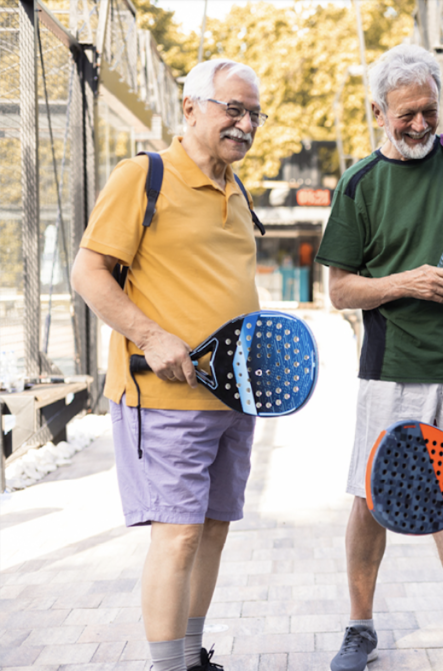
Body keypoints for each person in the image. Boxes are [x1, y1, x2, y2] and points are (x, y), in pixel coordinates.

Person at [313, 44, 443, 671]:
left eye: (429, 110)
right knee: (371, 497)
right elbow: (340, 289)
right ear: (379, 112)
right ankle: (359, 626)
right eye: (407, 115)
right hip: (393, 368)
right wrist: (407, 282)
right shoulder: (359, 184)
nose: (422, 124)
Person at [70, 59, 268, 671]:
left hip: (231, 398)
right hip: (163, 396)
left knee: (211, 529)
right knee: (177, 533)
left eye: (255, 114)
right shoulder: (144, 176)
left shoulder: (236, 188)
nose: (245, 124)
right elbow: (87, 272)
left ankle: (189, 656)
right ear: (191, 108)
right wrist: (151, 335)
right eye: (233, 108)